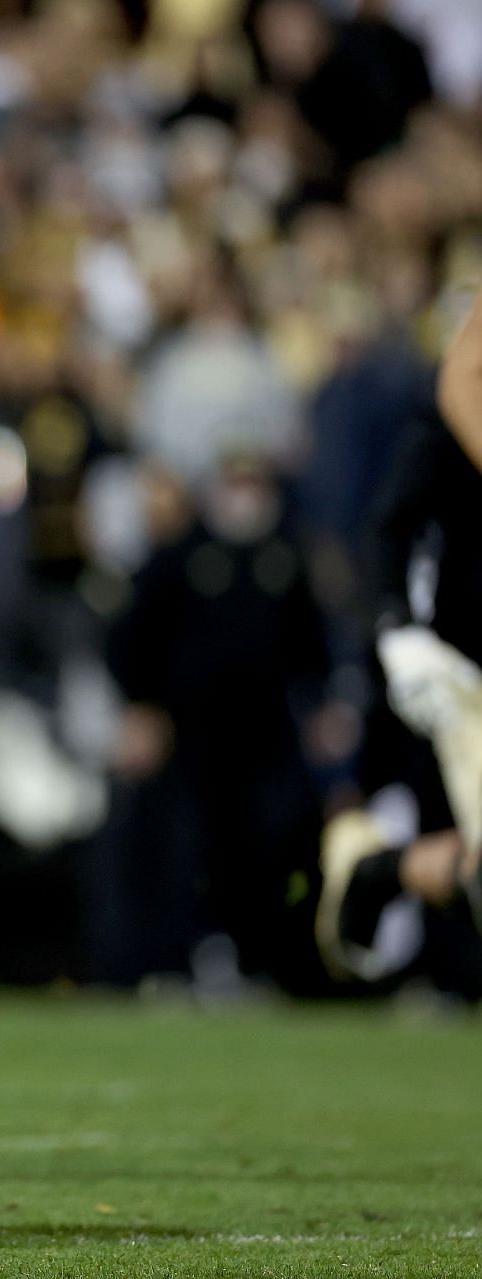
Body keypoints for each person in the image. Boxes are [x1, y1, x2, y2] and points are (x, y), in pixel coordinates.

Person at [316, 290, 482, 978]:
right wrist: (397, 633)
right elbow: (386, 528)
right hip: (470, 659)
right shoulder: (449, 417)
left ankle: (378, 868)